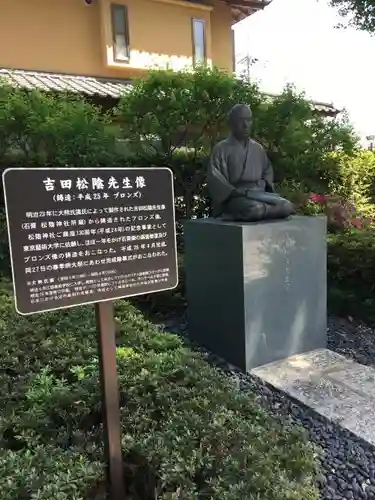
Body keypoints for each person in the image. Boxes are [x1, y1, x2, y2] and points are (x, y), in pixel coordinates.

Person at [207, 103, 295, 222]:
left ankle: (260, 212)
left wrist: (263, 184)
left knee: (287, 206)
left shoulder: (257, 148)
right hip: (236, 197)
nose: (245, 125)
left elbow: (267, 171)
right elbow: (216, 178)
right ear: (232, 123)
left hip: (259, 194)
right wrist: (235, 192)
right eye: (241, 120)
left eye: (248, 120)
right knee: (255, 209)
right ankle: (236, 214)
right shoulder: (221, 149)